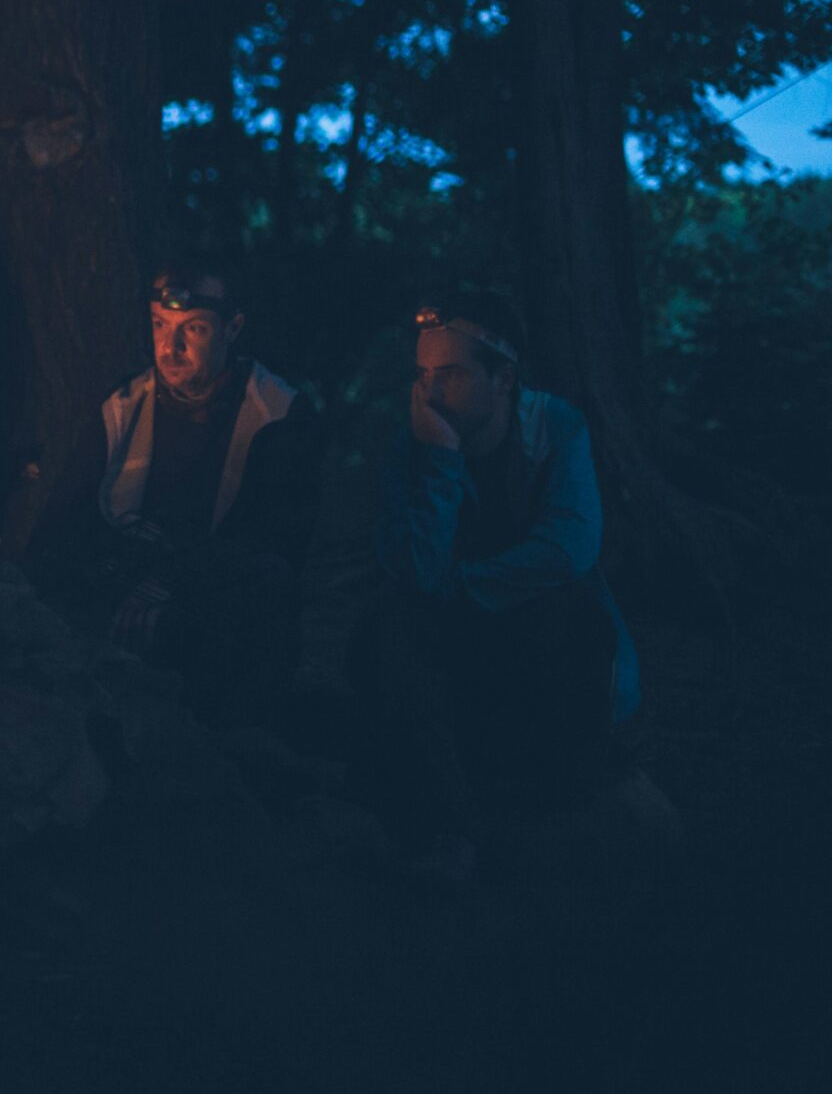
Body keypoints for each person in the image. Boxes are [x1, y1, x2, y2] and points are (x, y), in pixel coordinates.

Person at [353, 290, 639, 885]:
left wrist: (465, 586)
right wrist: (439, 462)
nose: (430, 392)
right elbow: (412, 575)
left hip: (527, 623)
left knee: (572, 604)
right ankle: (445, 831)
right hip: (452, 634)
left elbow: (569, 548)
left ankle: (560, 794)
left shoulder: (555, 428)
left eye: (451, 374)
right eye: (423, 375)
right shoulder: (414, 445)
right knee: (387, 626)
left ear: (503, 377)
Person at [32, 256, 318, 722]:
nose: (172, 346)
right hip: (125, 579)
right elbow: (62, 518)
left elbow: (278, 543)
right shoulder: (125, 406)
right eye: (160, 325)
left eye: (195, 329)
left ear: (232, 328)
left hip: (219, 598)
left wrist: (173, 580)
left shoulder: (276, 415)